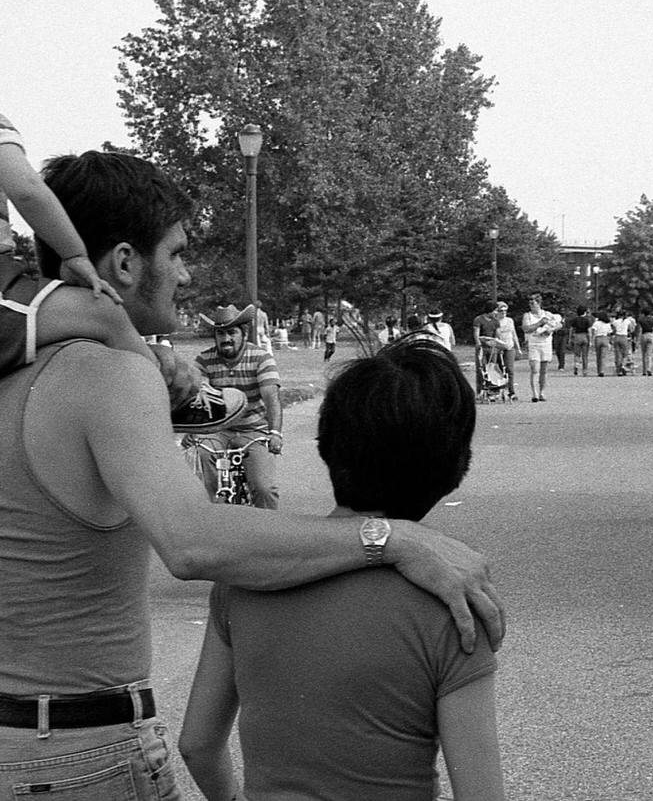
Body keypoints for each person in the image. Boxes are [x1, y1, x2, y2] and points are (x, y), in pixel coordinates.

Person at [0, 150, 503, 799]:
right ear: (125, 264)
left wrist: (166, 377)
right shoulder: (108, 378)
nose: (189, 274)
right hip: (76, 754)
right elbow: (192, 544)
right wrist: (393, 538)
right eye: (178, 253)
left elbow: (214, 411)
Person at [0, 0, 238, 432]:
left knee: (37, 342)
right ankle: (176, 399)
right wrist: (74, 254)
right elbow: (29, 192)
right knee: (104, 314)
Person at [179, 338, 502, 801]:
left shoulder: (249, 580)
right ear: (456, 466)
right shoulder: (454, 602)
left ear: (328, 448)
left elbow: (197, 745)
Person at [193, 303, 283, 509]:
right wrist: (194, 430)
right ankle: (213, 518)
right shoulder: (204, 359)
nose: (226, 339)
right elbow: (199, 395)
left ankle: (269, 533)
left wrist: (275, 433)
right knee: (203, 461)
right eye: (220, 333)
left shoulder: (261, 357)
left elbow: (271, 397)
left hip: (254, 430)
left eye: (232, 332)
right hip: (218, 430)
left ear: (244, 333)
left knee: (263, 488)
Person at [521, 293, 559, 401]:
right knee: (535, 369)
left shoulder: (547, 314)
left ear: (539, 303)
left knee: (544, 370)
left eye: (533, 303)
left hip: (546, 344)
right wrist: (539, 323)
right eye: (530, 303)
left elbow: (559, 324)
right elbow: (526, 329)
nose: (531, 306)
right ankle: (535, 394)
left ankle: (542, 392)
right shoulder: (527, 315)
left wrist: (551, 329)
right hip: (534, 344)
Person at [491, 301, 521, 398]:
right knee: (497, 369)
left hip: (509, 347)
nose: (503, 312)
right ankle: (497, 390)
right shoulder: (494, 321)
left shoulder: (510, 320)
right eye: (501, 310)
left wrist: (518, 348)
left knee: (509, 369)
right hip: (498, 347)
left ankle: (511, 391)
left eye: (505, 310)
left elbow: (514, 334)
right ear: (497, 311)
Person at [473, 302, 500, 389]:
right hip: (482, 347)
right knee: (482, 368)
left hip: (492, 347)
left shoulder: (496, 321)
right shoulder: (479, 319)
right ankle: (480, 389)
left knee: (492, 367)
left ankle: (493, 388)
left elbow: (497, 334)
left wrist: (497, 344)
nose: (496, 313)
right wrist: (478, 344)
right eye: (495, 311)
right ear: (490, 310)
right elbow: (476, 333)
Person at [568, 304, 593, 375]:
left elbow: (571, 329)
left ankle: (576, 365)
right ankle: (585, 370)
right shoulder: (587, 320)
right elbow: (589, 331)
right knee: (585, 355)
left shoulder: (575, 320)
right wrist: (590, 340)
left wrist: (570, 339)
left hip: (577, 336)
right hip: (585, 336)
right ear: (584, 312)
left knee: (577, 354)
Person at [610, 307, 635, 376]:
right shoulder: (627, 321)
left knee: (618, 354)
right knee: (625, 354)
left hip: (617, 337)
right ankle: (623, 366)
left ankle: (619, 370)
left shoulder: (615, 322)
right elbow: (631, 329)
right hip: (624, 337)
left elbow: (613, 330)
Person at [590, 311, 613, 377]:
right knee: (603, 356)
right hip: (605, 338)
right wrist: (610, 341)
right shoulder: (607, 324)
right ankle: (602, 370)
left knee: (598, 356)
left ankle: (598, 370)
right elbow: (610, 332)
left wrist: (592, 340)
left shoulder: (596, 323)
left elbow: (593, 331)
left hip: (598, 338)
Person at [636, 306, 653, 376]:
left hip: (644, 335)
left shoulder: (641, 319)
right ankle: (649, 369)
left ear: (643, 313)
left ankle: (644, 371)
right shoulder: (652, 319)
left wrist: (637, 339)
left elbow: (639, 329)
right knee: (649, 354)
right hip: (650, 335)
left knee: (643, 354)